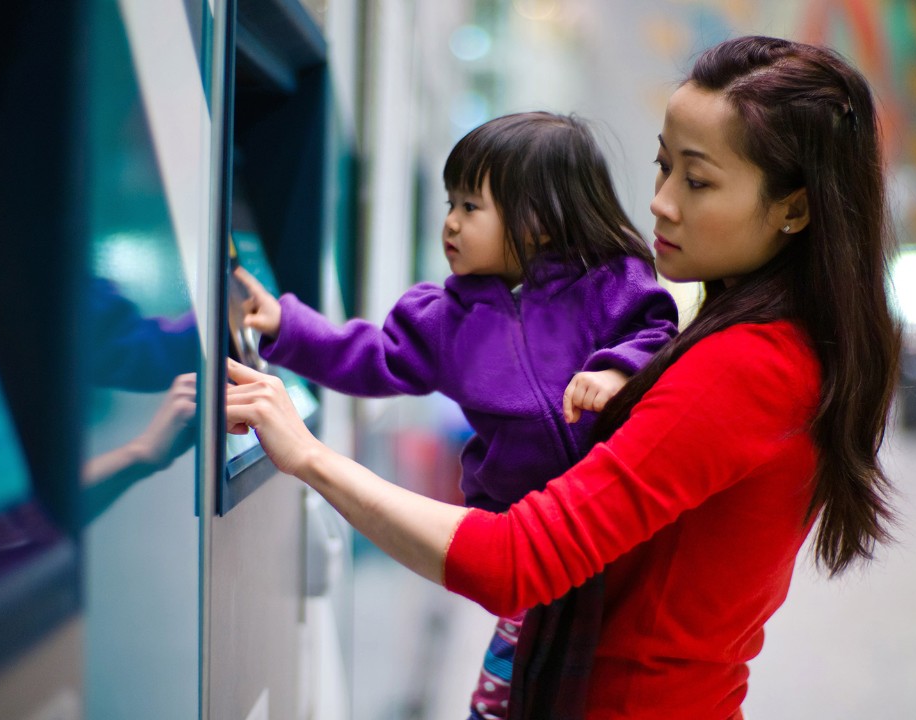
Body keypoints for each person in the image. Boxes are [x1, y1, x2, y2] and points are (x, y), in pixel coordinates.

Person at [226, 35, 900, 720]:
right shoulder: (761, 340)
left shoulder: (747, 366)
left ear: (794, 207)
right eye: (663, 168)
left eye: (697, 181)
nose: (662, 203)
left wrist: (309, 456)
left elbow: (515, 561)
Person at [232, 111, 678, 720]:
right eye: (451, 202)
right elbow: (371, 356)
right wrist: (289, 327)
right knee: (509, 692)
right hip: (523, 542)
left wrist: (617, 370)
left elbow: (657, 333)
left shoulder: (609, 286)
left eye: (471, 207)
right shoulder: (446, 320)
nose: (450, 222)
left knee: (598, 677)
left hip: (611, 534)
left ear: (541, 220)